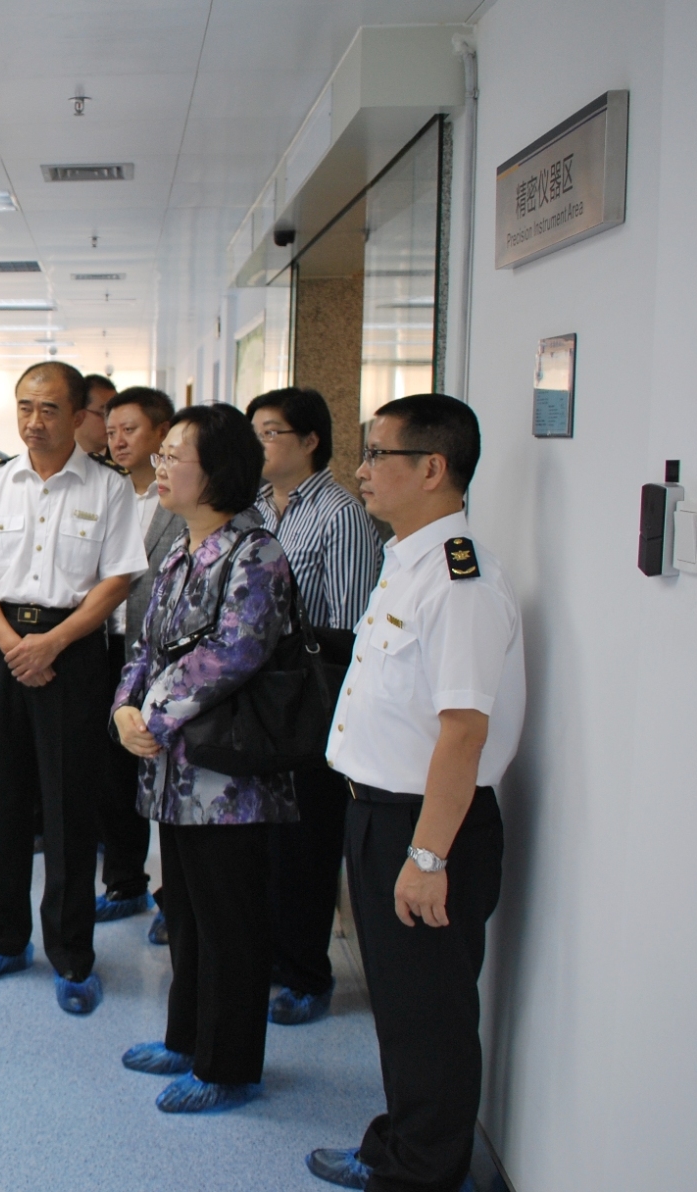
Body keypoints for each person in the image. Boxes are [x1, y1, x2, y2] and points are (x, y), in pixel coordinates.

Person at [308, 395, 523, 1192]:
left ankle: (422, 1175)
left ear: (431, 468)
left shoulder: (460, 580)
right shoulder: (406, 560)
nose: (360, 471)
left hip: (428, 826)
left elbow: (462, 733)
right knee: (401, 1008)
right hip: (378, 812)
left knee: (429, 1014)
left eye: (377, 455)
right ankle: (398, 1143)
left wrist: (427, 856)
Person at [111, 403, 298, 1115]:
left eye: (172, 455)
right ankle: (185, 1038)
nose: (158, 467)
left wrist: (153, 716)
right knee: (186, 911)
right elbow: (146, 644)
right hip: (174, 774)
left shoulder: (255, 553)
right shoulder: (182, 550)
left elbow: (234, 650)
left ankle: (228, 1067)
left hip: (228, 779)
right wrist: (123, 710)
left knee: (230, 924)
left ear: (217, 470)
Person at [0, 361, 144, 1014]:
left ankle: (72, 955)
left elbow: (117, 581)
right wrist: (13, 646)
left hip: (73, 651)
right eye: (24, 407)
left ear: (80, 415)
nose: (33, 421)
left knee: (68, 809)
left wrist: (52, 643)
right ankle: (2, 940)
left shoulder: (109, 488)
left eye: (49, 409)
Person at [246, 387, 383, 1027]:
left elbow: (350, 628)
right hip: (259, 698)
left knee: (307, 843)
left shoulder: (339, 515)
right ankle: (274, 957)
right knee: (268, 843)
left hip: (311, 698)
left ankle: (308, 974)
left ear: (309, 441)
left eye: (271, 432)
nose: (259, 444)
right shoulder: (255, 508)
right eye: (254, 431)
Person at [95, 388, 184, 933]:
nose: (118, 441)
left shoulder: (180, 496)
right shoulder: (108, 493)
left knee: (167, 775)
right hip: (108, 647)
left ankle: (174, 901)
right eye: (111, 432)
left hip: (164, 658)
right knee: (113, 776)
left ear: (162, 432)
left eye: (129, 429)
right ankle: (124, 882)